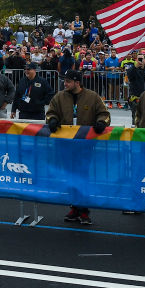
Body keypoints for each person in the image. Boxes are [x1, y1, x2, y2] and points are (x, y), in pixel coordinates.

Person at [45, 69, 110, 225]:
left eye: (68, 81)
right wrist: (52, 120)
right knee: (69, 177)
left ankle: (84, 210)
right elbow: (50, 112)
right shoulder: (59, 97)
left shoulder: (92, 97)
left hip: (84, 145)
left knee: (82, 176)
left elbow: (104, 114)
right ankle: (74, 207)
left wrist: (101, 122)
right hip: (65, 145)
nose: (65, 84)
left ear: (77, 82)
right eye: (64, 81)